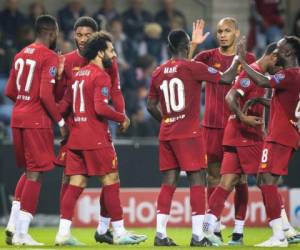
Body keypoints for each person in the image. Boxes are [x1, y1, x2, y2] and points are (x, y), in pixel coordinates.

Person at [147, 25, 239, 246]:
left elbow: (150, 105)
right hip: (188, 134)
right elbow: (226, 79)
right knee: (197, 178)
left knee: (168, 181)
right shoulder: (193, 67)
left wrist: (167, 120)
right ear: (187, 46)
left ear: (169, 47)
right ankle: (198, 235)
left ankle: (160, 234)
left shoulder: (158, 71)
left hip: (166, 133)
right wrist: (238, 60)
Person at [55, 31, 147, 246]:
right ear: (99, 53)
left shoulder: (78, 75)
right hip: (95, 138)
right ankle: (119, 231)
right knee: (111, 180)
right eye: (111, 50)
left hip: (76, 138)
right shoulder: (101, 75)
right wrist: (121, 117)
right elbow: (100, 107)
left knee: (76, 183)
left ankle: (63, 233)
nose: (114, 55)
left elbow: (63, 106)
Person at [201, 43, 277, 246]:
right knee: (267, 180)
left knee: (229, 183)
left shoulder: (259, 75)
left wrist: (260, 101)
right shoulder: (250, 73)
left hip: (234, 134)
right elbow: (229, 96)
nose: (279, 69)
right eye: (278, 64)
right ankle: (282, 230)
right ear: (272, 57)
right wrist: (244, 118)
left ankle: (211, 229)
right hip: (246, 135)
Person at [190, 17, 256, 241]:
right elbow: (183, 66)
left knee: (241, 179)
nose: (222, 34)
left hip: (237, 126)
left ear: (236, 32)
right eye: (219, 31)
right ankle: (215, 227)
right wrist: (194, 45)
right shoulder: (208, 56)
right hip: (211, 127)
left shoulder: (249, 59)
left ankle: (238, 231)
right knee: (213, 177)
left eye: (227, 30)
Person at [4, 14, 68, 246]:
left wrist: (24, 100)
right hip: (36, 121)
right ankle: (22, 233)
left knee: (29, 170)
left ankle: (12, 225)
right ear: (52, 32)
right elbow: (44, 95)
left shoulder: (21, 54)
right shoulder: (49, 56)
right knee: (36, 173)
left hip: (17, 117)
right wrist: (61, 122)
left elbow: (10, 90)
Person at [236, 35, 300, 247]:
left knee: (267, 182)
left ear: (289, 53)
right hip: (284, 134)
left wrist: (242, 60)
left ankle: (279, 236)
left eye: (280, 49)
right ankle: (281, 232)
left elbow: (263, 80)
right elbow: (282, 103)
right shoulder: (294, 76)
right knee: (265, 181)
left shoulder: (289, 75)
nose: (276, 53)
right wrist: (259, 100)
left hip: (280, 136)